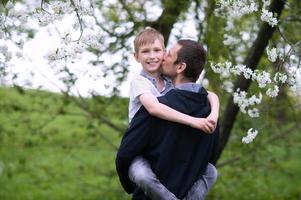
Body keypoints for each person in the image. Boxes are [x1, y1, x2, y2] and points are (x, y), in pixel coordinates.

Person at [116, 39, 219, 200]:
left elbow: (126, 152)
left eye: (168, 54)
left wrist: (128, 179)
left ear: (180, 67)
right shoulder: (210, 115)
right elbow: (209, 160)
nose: (162, 57)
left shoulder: (157, 108)